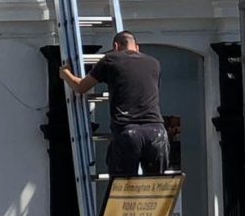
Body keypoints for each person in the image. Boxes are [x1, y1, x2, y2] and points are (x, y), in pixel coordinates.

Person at [60, 30, 169, 177]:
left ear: (116, 46)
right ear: (137, 47)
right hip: (157, 133)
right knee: (155, 191)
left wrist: (65, 73)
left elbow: (81, 87)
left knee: (122, 193)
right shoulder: (154, 63)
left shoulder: (110, 59)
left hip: (128, 132)